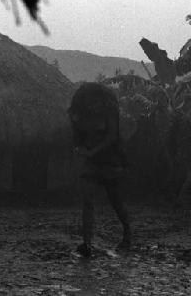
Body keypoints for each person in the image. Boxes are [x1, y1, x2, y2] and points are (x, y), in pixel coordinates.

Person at [68, 82, 131, 257]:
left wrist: (92, 152)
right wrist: (81, 149)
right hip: (91, 162)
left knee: (116, 201)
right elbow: (77, 136)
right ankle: (87, 243)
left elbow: (112, 137)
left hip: (111, 161)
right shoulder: (79, 113)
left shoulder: (109, 112)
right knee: (87, 201)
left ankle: (127, 234)